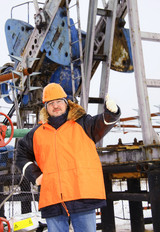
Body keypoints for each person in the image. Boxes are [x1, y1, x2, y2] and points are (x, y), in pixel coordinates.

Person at [16, 82, 121, 232]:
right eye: (51, 103)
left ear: (66, 103)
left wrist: (112, 113)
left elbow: (101, 124)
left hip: (82, 194)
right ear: (46, 107)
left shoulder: (84, 123)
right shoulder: (36, 133)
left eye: (59, 101)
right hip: (52, 198)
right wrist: (35, 175)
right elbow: (20, 154)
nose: (56, 106)